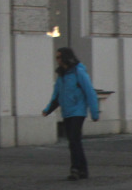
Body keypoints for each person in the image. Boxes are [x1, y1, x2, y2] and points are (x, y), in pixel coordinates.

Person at [42, 47, 99, 180]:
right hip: (67, 112)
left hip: (78, 111)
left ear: (66, 57)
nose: (57, 60)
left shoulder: (78, 72)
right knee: (74, 141)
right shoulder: (61, 75)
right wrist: (48, 110)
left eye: (59, 57)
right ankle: (82, 169)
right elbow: (57, 95)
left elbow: (89, 92)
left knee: (74, 140)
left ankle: (75, 169)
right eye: (56, 57)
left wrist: (94, 112)